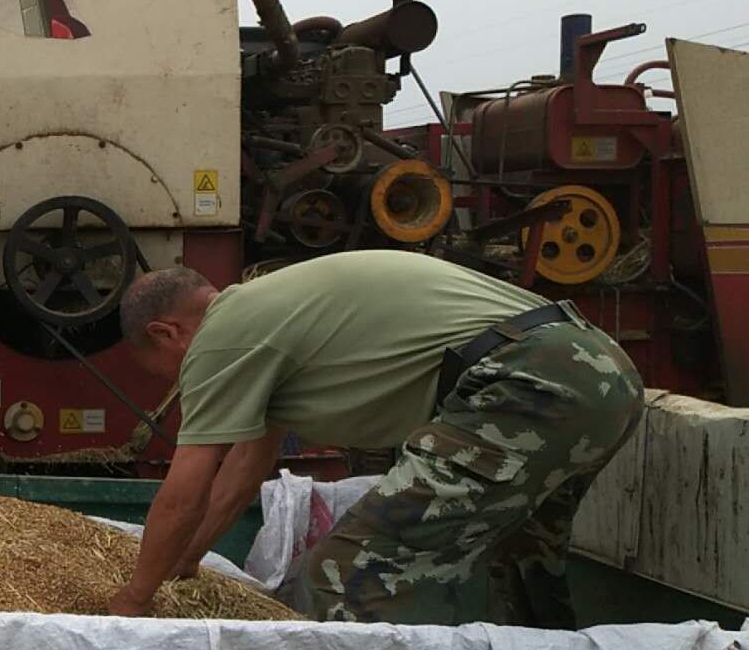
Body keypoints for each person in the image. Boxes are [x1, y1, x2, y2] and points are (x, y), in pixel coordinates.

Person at [107, 250, 644, 628]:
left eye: (165, 370)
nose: (180, 380)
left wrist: (134, 598)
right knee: (522, 562)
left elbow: (186, 490)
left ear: (166, 332)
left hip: (525, 381)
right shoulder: (267, 314)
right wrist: (186, 560)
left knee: (349, 575)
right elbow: (244, 470)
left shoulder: (221, 339)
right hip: (599, 371)